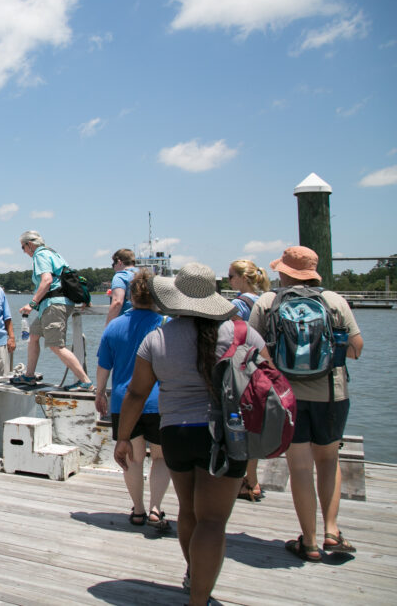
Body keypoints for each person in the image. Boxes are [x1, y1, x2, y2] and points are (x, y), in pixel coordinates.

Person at [115, 262, 263, 605]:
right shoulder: (243, 334)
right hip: (227, 436)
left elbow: (136, 393)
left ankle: (193, 576)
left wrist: (123, 437)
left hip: (176, 434)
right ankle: (200, 597)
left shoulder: (158, 338)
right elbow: (264, 384)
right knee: (213, 521)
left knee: (188, 511)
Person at [248, 246, 363, 561]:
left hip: (287, 398)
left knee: (299, 468)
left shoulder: (268, 302)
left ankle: (309, 542)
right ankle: (332, 531)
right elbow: (356, 349)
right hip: (331, 394)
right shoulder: (334, 301)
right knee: (328, 461)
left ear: (282, 272)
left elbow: (253, 350)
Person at [95, 269, 171, 530]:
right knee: (160, 458)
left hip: (123, 401)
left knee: (132, 458)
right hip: (159, 400)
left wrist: (99, 392)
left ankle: (137, 510)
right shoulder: (165, 324)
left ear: (130, 295)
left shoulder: (114, 326)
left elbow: (104, 365)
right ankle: (156, 509)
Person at [16, 231, 92, 390]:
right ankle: (29, 375)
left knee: (56, 346)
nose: (24, 252)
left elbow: (47, 280)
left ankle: (85, 381)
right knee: (34, 335)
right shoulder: (53, 254)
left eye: (23, 248)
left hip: (54, 305)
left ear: (30, 244)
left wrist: (32, 304)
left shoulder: (40, 255)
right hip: (50, 306)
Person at [227, 258, 272, 502]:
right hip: (264, 368)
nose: (229, 280)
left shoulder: (238, 304)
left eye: (231, 276)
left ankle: (241, 479)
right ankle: (252, 479)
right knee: (254, 422)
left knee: (238, 422)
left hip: (243, 368)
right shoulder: (267, 300)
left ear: (243, 278)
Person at [104, 248, 138, 326]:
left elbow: (117, 302)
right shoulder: (144, 274)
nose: (113, 267)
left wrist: (108, 326)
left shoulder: (121, 276)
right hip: (146, 322)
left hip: (127, 323)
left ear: (119, 262)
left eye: (113, 264)